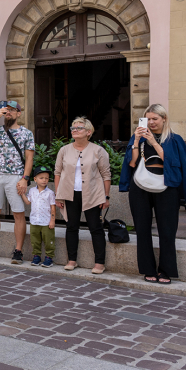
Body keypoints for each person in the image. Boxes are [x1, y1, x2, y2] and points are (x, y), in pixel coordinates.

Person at [120, 104, 186, 283]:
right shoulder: (138, 137)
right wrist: (137, 141)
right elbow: (131, 164)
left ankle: (166, 270)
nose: (152, 122)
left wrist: (154, 142)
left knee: (167, 230)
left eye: (155, 119)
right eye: (148, 119)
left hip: (167, 186)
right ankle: (148, 269)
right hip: (141, 185)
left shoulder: (174, 139)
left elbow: (174, 163)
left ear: (164, 119)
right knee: (143, 229)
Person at [0, 101, 35, 263]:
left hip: (16, 176)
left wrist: (25, 178)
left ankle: (18, 250)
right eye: (6, 110)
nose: (8, 113)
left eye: (12, 110)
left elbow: (29, 158)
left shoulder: (26, 133)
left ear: (19, 113)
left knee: (18, 213)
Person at [54, 117, 112, 273]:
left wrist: (106, 197)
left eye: (79, 128)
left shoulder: (98, 150)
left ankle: (99, 262)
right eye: (73, 128)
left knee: (95, 228)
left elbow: (106, 174)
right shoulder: (64, 150)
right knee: (71, 227)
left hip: (93, 194)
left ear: (88, 132)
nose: (74, 130)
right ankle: (72, 260)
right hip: (69, 194)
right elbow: (58, 173)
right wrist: (58, 195)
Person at [21, 166, 57, 267]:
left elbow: (53, 208)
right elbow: (28, 202)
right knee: (35, 241)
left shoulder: (50, 193)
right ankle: (36, 256)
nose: (44, 180)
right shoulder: (32, 191)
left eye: (46, 178)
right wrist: (22, 194)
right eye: (41, 178)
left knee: (49, 241)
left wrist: (52, 221)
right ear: (35, 179)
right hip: (34, 221)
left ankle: (49, 258)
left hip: (46, 222)